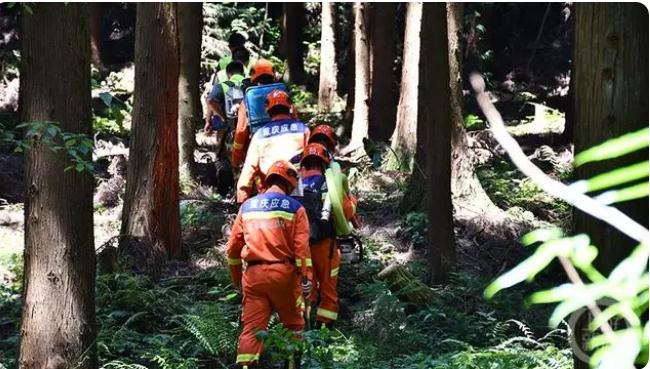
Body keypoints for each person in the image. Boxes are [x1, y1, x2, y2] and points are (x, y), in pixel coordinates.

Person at [226, 160, 312, 369]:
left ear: (268, 180)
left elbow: (232, 249)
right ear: (290, 183)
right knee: (294, 327)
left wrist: (238, 280)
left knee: (252, 331)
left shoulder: (247, 207)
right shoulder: (296, 208)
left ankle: (246, 366)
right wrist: (306, 279)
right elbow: (302, 250)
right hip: (284, 276)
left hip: (254, 278)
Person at [236, 89, 309, 204]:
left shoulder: (259, 135)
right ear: (289, 107)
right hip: (301, 191)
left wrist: (242, 200)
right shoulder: (303, 130)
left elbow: (249, 170)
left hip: (269, 195)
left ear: (267, 110)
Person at [297, 142, 341, 328]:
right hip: (324, 243)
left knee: (307, 284)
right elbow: (343, 210)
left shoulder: (294, 183)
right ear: (324, 163)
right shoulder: (328, 182)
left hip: (301, 245)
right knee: (328, 285)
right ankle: (324, 327)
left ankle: (304, 326)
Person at [231, 58, 281, 168]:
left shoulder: (249, 99)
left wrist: (235, 159)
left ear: (253, 76)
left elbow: (240, 132)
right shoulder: (283, 94)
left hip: (259, 152)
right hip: (284, 147)